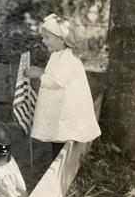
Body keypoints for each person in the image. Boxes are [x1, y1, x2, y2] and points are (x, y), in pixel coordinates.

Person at [26, 13, 101, 158]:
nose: (43, 41)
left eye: (47, 37)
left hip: (68, 112)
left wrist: (39, 75)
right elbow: (53, 74)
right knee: (56, 138)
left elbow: (55, 82)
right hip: (58, 108)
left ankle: (59, 172)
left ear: (61, 39)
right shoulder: (57, 54)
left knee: (63, 141)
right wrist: (41, 72)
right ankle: (55, 167)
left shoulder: (69, 58)